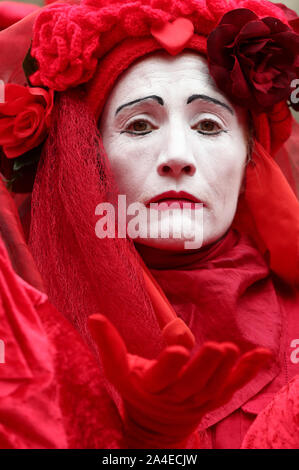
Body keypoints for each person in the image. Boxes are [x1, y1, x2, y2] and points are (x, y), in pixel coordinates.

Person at [0, 0, 299, 449]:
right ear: (87, 158)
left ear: (249, 159)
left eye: (209, 124)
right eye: (139, 125)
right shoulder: (21, 327)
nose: (176, 155)